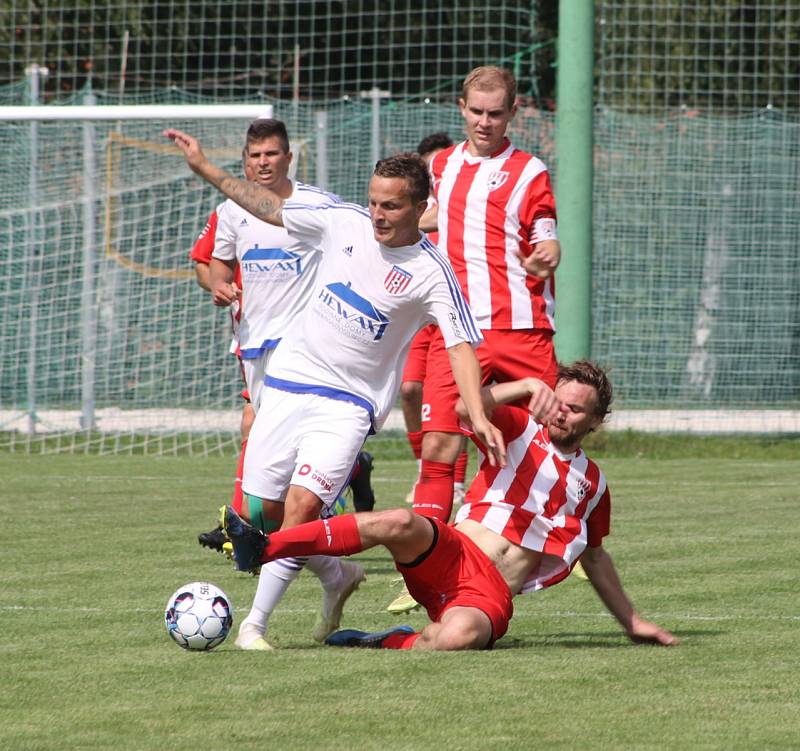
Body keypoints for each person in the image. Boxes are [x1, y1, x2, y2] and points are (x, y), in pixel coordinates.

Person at [164, 127, 505, 649]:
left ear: (420, 206)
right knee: (259, 514)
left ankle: (254, 627)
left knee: (301, 508)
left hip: (349, 404)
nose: (379, 215)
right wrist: (207, 169)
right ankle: (337, 574)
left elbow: (460, 345)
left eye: (391, 206)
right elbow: (267, 206)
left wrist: (477, 414)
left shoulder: (433, 272)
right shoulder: (343, 222)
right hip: (289, 380)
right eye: (374, 203)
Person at [223, 361, 679, 651]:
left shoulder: (593, 484)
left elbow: (595, 557)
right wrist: (520, 385)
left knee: (458, 637)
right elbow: (464, 407)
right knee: (401, 520)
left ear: (596, 420)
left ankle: (385, 642)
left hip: (488, 596)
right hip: (453, 552)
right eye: (559, 402)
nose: (563, 413)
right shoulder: (520, 427)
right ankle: (262, 545)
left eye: (577, 410)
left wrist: (633, 621)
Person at [187, 119, 374, 649]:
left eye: (272, 154)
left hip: (310, 359)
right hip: (256, 352)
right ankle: (336, 571)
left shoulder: (315, 206)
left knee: (270, 503)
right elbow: (210, 265)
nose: (263, 163)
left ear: (289, 158)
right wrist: (218, 284)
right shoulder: (230, 212)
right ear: (244, 161)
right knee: (263, 510)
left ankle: (261, 610)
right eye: (254, 155)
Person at [412, 65, 561, 530]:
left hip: (521, 326)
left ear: (512, 112)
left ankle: (560, 536)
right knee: (438, 445)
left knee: (546, 438)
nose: (484, 122)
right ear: (462, 109)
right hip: (458, 330)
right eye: (476, 111)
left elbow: (545, 230)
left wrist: (550, 250)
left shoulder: (530, 171)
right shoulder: (441, 166)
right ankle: (426, 555)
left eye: (495, 113)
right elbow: (437, 216)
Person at [399, 132, 468, 510]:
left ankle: (455, 482)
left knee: (456, 402)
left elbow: (443, 217)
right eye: (431, 167)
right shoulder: (416, 207)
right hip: (418, 316)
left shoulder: (459, 204)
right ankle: (423, 466)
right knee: (409, 390)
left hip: (454, 316)